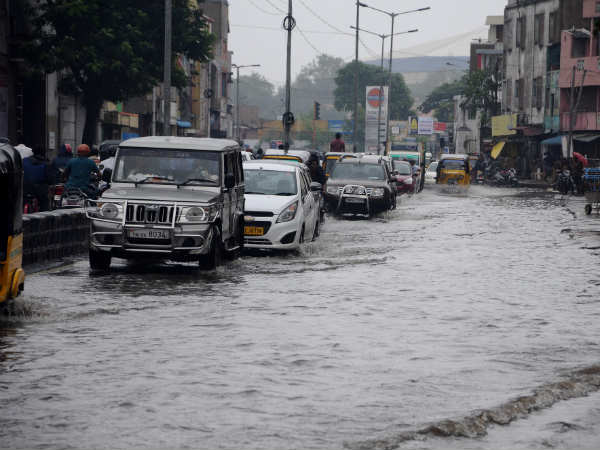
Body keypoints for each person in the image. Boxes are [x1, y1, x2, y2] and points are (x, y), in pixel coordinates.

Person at [23, 146, 53, 211]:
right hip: (40, 189)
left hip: (25, 188)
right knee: (45, 202)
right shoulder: (46, 163)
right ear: (43, 153)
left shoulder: (24, 161)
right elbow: (50, 179)